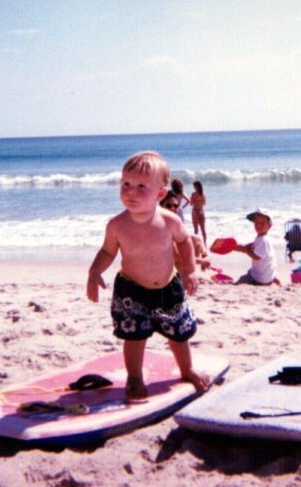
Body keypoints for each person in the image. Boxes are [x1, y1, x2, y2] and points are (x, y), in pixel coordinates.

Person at [87, 151, 210, 400]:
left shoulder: (170, 220)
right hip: (131, 289)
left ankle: (186, 369)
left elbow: (185, 243)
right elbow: (108, 251)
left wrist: (189, 271)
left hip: (168, 286)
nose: (131, 192)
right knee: (134, 336)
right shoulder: (117, 225)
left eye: (141, 186)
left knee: (179, 333)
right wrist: (94, 271)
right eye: (126, 184)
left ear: (160, 193)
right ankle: (134, 378)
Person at [161, 192, 211, 271]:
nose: (172, 208)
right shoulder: (160, 224)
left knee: (197, 239)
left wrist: (204, 255)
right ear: (162, 207)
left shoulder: (175, 222)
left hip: (173, 259)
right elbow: (176, 257)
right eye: (168, 206)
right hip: (162, 262)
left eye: (175, 206)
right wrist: (201, 261)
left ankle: (191, 270)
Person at [232, 208, 278, 286]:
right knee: (251, 271)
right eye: (257, 222)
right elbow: (254, 246)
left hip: (261, 280)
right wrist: (241, 248)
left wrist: (245, 250)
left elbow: (257, 257)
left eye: (262, 223)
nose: (259, 225)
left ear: (269, 225)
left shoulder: (263, 240)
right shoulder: (263, 238)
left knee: (242, 278)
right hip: (268, 275)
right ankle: (273, 279)